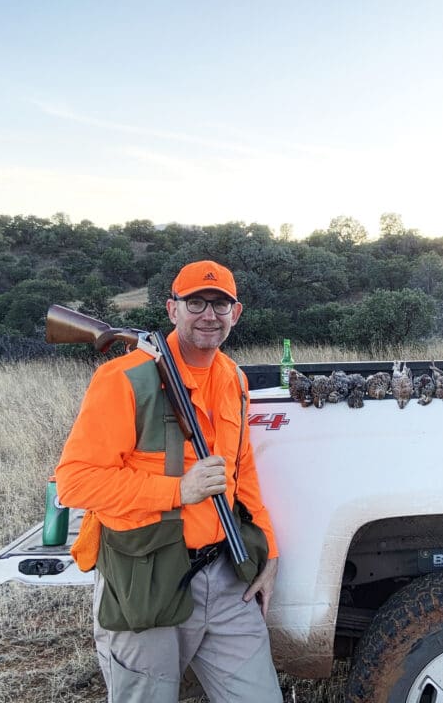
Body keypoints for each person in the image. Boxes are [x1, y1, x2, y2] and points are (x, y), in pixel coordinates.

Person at [55, 260, 283, 703]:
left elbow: (243, 473)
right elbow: (75, 483)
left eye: (221, 304)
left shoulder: (233, 378)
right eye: (195, 301)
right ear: (171, 309)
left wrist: (269, 553)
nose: (208, 315)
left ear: (236, 314)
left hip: (225, 574)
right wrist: (178, 490)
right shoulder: (123, 378)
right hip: (147, 576)